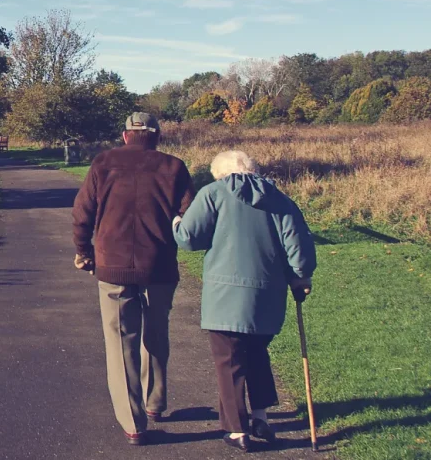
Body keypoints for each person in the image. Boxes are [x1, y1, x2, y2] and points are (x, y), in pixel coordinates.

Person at [174, 150, 316, 453]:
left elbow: (189, 238)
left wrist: (176, 222)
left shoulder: (213, 193)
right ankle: (260, 416)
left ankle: (237, 429)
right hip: (268, 294)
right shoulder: (279, 198)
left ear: (220, 173)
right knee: (256, 353)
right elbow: (297, 245)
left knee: (229, 361)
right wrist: (301, 277)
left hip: (225, 295)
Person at [71, 112, 195, 446]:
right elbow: (189, 215)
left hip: (112, 266)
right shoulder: (174, 167)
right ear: (156, 136)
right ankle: (155, 402)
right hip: (160, 267)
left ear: (126, 135)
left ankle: (134, 423)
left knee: (120, 342)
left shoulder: (103, 162)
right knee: (156, 333)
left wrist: (84, 251)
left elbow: (82, 212)